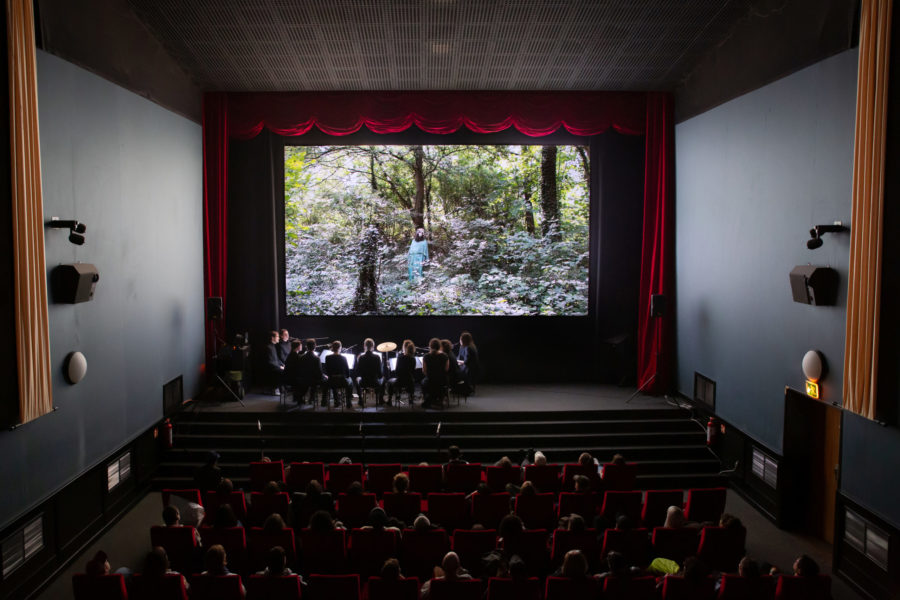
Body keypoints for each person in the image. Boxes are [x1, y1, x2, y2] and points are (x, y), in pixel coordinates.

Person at [295, 338, 326, 405]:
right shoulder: (317, 358)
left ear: (307, 347)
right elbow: (319, 372)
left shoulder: (301, 357)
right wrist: (324, 376)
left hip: (303, 379)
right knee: (323, 381)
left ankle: (305, 397)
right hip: (313, 380)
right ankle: (317, 400)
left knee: (310, 380)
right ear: (315, 347)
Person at [355, 337, 385, 406]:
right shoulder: (377, 357)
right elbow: (380, 374)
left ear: (364, 346)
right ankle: (380, 398)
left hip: (363, 382)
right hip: (375, 382)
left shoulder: (361, 357)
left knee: (357, 379)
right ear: (373, 346)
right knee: (383, 378)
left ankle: (360, 399)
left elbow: (358, 372)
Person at [323, 340, 352, 408]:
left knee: (333, 381)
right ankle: (348, 402)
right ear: (340, 348)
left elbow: (327, 370)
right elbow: (347, 373)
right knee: (350, 382)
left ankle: (336, 401)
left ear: (332, 347)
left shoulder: (327, 357)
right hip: (342, 381)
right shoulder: (343, 358)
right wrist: (347, 376)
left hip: (331, 381)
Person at [387, 339, 417, 405]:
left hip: (400, 382)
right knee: (411, 379)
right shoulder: (413, 359)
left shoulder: (400, 358)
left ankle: (389, 400)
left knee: (389, 381)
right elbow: (413, 372)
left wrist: (390, 367)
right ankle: (410, 399)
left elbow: (397, 372)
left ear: (404, 347)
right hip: (410, 381)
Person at [421, 338, 448, 408]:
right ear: (439, 346)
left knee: (423, 382)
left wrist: (430, 376)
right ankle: (439, 398)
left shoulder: (426, 356)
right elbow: (446, 369)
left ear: (430, 346)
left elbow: (424, 371)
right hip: (442, 380)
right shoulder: (445, 356)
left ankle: (428, 398)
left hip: (430, 380)